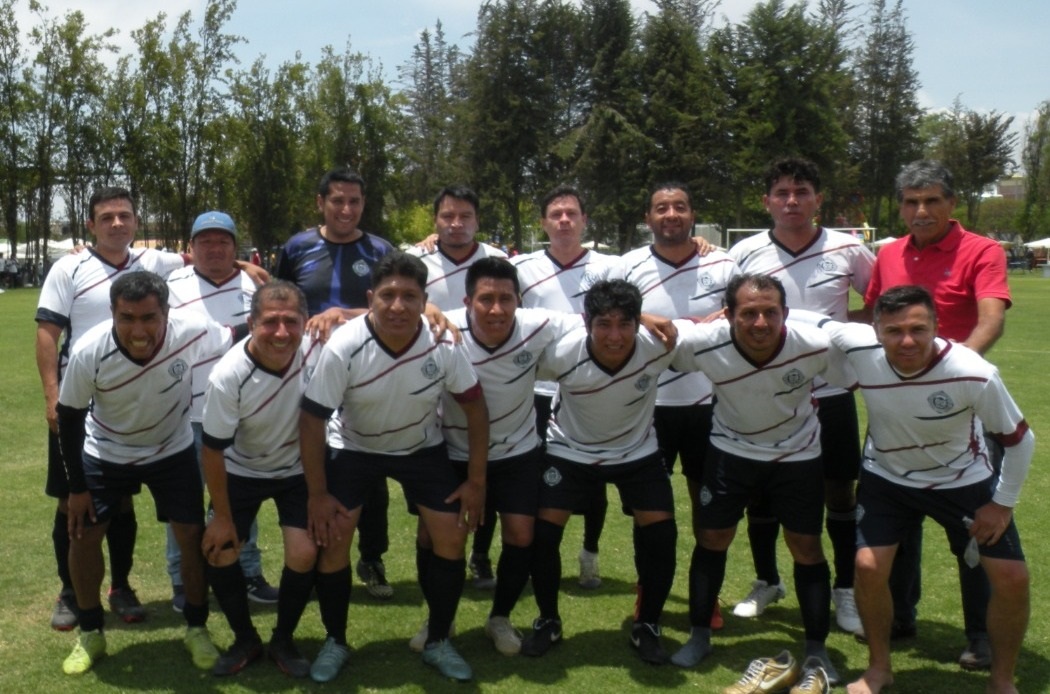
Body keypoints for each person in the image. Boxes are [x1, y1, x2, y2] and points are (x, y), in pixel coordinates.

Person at [806, 286, 1031, 694]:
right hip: (887, 479)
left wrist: (1001, 504)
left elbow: (1020, 441)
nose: (907, 341)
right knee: (868, 567)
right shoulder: (859, 346)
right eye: (893, 331)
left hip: (963, 480)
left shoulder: (973, 371)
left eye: (918, 329)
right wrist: (727, 316)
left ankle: (1002, 681)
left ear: (936, 327)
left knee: (1012, 577)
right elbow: (811, 320)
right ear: (875, 331)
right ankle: (878, 669)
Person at [299, 251, 488, 683]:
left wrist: (476, 481)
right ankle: (335, 640)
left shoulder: (443, 343)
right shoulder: (345, 345)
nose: (398, 306)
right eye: (387, 295)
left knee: (451, 537)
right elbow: (311, 420)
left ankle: (438, 640)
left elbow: (476, 409)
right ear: (371, 299)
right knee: (334, 540)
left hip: (420, 448)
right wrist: (317, 493)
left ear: (424, 301)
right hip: (354, 448)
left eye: (409, 296)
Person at [863, 159, 1012, 669]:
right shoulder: (889, 254)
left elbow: (991, 320)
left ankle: (981, 634)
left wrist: (950, 374)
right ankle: (900, 616)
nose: (921, 211)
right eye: (911, 202)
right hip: (896, 410)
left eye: (931, 200)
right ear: (901, 206)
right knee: (896, 521)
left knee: (973, 529)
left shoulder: (982, 250)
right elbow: (869, 319)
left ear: (951, 203)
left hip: (962, 408)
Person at [668, 274, 849, 689]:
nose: (761, 323)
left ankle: (817, 647)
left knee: (806, 547)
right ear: (728, 315)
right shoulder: (703, 342)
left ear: (786, 313)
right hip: (730, 451)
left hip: (797, 455)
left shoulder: (814, 344)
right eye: (748, 313)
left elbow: (864, 364)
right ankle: (699, 635)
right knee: (712, 538)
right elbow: (657, 343)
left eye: (770, 312)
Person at [56, 272, 232, 674]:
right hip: (106, 450)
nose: (138, 331)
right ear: (112, 313)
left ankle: (196, 627)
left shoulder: (193, 329)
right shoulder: (89, 349)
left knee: (191, 536)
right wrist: (76, 488)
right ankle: (91, 632)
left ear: (167, 312)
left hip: (171, 449)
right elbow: (68, 418)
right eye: (127, 318)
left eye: (149, 318)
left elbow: (241, 335)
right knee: (84, 536)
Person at [409, 257, 584, 656]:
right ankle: (439, 616)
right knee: (432, 536)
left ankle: (500, 617)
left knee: (521, 535)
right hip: (450, 452)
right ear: (467, 301)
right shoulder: (442, 328)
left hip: (516, 451)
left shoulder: (538, 324)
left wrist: (646, 317)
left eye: (506, 299)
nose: (496, 309)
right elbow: (383, 315)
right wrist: (426, 307)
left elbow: (596, 319)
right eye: (486, 299)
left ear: (519, 300)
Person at [728, 157, 874, 634]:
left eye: (802, 192)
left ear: (818, 199)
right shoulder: (745, 252)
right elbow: (728, 311)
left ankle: (845, 590)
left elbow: (881, 303)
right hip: (766, 392)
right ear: (767, 201)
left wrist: (842, 329)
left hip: (830, 391)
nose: (792, 201)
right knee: (761, 490)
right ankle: (767, 581)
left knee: (839, 490)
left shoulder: (848, 249)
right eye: (782, 193)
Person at [35, 187, 187, 630]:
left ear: (136, 221)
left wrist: (249, 268)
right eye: (107, 217)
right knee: (71, 501)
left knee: (120, 501)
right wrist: (52, 396)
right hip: (79, 401)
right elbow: (47, 334)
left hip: (131, 401)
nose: (117, 224)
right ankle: (70, 592)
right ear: (91, 225)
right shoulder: (69, 268)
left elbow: (207, 258)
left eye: (124, 215)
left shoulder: (155, 262)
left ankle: (120, 586)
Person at [520, 279, 679, 664]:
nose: (614, 336)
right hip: (570, 450)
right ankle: (548, 620)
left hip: (637, 451)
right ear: (586, 322)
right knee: (543, 534)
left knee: (662, 535)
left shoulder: (660, 344)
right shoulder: (561, 352)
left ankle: (647, 625)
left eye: (625, 324)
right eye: (604, 324)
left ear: (638, 322)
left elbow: (715, 331)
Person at [621, 181, 740, 632]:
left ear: (692, 214)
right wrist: (642, 316)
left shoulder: (723, 263)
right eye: (661, 208)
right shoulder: (628, 265)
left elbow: (749, 308)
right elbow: (606, 314)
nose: (671, 215)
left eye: (680, 207)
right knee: (648, 512)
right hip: (648, 405)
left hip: (709, 403)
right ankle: (647, 591)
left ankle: (706, 598)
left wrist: (726, 317)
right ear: (648, 218)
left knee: (709, 510)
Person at [276, 167, 398, 600]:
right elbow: (278, 301)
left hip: (367, 370)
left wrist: (341, 315)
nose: (346, 209)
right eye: (337, 200)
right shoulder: (297, 247)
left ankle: (372, 557)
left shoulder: (380, 250)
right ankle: (317, 556)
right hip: (308, 371)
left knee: (370, 466)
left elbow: (394, 306)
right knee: (315, 465)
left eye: (355, 201)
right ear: (320, 202)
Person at [200, 281, 321, 678]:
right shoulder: (228, 375)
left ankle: (283, 640)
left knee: (304, 553)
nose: (281, 333)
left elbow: (372, 319)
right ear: (251, 323)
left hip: (296, 470)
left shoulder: (318, 350)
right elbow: (212, 450)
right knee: (219, 548)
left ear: (306, 321)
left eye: (291, 321)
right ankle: (245, 639)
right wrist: (222, 516)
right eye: (270, 322)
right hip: (240, 470)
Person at [510, 184, 623, 589]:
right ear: (543, 222)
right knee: (534, 476)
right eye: (555, 214)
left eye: (571, 214)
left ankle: (589, 554)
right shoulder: (521, 268)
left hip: (591, 386)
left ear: (584, 220)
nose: (563, 221)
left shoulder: (611, 266)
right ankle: (533, 557)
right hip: (537, 389)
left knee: (594, 474)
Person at [164, 210, 278, 611]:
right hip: (187, 414)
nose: (214, 249)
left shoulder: (257, 286)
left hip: (246, 413)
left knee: (239, 499)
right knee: (185, 504)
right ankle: (183, 578)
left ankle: (247, 571)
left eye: (223, 242)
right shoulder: (172, 286)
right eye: (206, 242)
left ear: (235, 247)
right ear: (191, 247)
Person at [408, 185, 507, 589]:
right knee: (436, 481)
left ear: (477, 220)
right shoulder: (417, 260)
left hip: (486, 378)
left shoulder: (497, 260)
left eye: (465, 216)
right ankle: (433, 563)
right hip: (429, 383)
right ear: (435, 220)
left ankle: (480, 554)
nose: (456, 224)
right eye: (448, 216)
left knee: (487, 475)